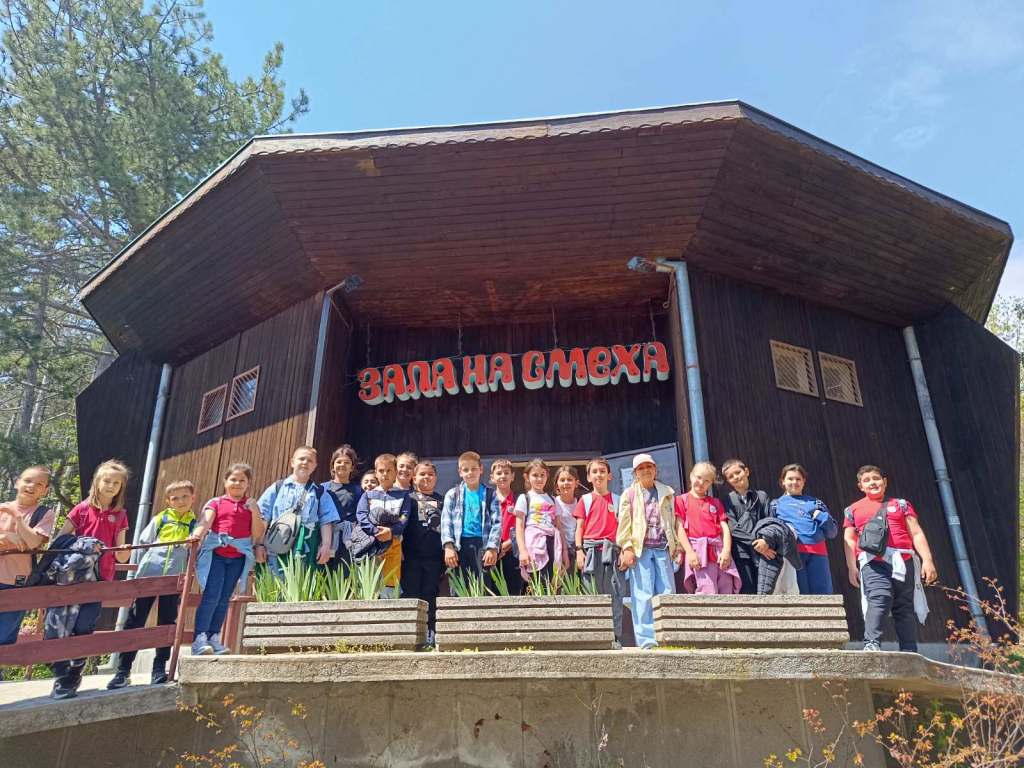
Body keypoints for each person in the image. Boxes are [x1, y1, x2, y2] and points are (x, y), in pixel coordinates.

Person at [49, 459, 132, 698]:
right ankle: (61, 675)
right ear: (97, 482)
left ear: (121, 487)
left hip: (101, 577)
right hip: (73, 577)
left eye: (116, 483)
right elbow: (61, 540)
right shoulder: (81, 509)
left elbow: (122, 557)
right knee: (62, 625)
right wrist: (84, 544)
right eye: (107, 481)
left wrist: (124, 550)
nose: (111, 486)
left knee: (85, 625)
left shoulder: (120, 515)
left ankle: (75, 671)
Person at [108, 480, 197, 688]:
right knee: (135, 621)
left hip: (173, 581)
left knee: (167, 623)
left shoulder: (195, 525)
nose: (181, 501)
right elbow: (143, 543)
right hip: (148, 577)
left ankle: (159, 669)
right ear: (168, 501)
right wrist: (139, 575)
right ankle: (123, 671)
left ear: (193, 498)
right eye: (175, 498)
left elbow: (195, 554)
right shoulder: (161, 519)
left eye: (185, 496)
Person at [843, 465, 937, 652]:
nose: (872, 483)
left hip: (904, 560)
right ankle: (872, 643)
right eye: (867, 480)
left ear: (884, 482)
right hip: (873, 563)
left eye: (876, 478)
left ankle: (909, 649)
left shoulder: (901, 505)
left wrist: (927, 560)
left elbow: (916, 533)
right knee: (879, 598)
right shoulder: (853, 509)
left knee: (904, 606)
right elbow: (849, 539)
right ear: (861, 486)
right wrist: (851, 566)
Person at [192, 462, 265, 656]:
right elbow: (206, 522)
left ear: (248, 483)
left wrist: (254, 510)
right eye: (233, 479)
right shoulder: (216, 502)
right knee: (211, 596)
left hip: (238, 558)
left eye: (242, 480)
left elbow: (257, 532)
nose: (237, 483)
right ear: (225, 481)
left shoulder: (251, 505)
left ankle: (214, 637)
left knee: (225, 598)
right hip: (217, 555)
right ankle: (199, 638)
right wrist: (196, 536)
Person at [616, 453, 680, 649]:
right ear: (635, 473)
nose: (645, 470)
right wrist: (627, 547)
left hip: (663, 548)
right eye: (641, 468)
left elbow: (673, 521)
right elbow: (624, 524)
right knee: (642, 595)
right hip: (641, 550)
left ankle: (668, 637)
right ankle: (647, 641)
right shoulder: (629, 494)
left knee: (667, 593)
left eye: (649, 466)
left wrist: (677, 546)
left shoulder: (667, 492)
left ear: (655, 470)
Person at [0, 466, 55, 680]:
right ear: (17, 482)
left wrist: (17, 517)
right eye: (28, 481)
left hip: (17, 582)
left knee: (4, 638)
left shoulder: (44, 514)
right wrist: (7, 538)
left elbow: (32, 542)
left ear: (45, 490)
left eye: (39, 484)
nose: (31, 486)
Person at [257, 446, 338, 570]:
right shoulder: (278, 487)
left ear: (315, 466)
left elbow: (326, 521)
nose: (305, 462)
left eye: (310, 460)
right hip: (276, 546)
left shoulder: (320, 492)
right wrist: (259, 544)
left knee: (302, 582)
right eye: (301, 459)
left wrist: (326, 545)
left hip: (306, 550)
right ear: (292, 462)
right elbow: (263, 517)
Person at [573, 458, 624, 647]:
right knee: (591, 593)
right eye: (594, 471)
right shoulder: (585, 500)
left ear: (609, 475)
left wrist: (624, 550)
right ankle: (594, 636)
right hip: (590, 552)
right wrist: (579, 551)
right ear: (588, 477)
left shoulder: (618, 500)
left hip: (613, 552)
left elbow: (624, 528)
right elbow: (579, 528)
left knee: (615, 594)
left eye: (602, 471)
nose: (598, 475)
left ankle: (614, 636)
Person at [771, 464, 837, 595]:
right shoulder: (775, 505)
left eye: (798, 479)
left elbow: (832, 532)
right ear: (783, 481)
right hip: (792, 555)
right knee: (797, 594)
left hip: (818, 553)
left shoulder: (816, 503)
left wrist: (821, 516)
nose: (794, 482)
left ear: (804, 481)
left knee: (823, 594)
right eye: (790, 479)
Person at [675, 463, 741, 594]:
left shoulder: (715, 502)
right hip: (699, 552)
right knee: (707, 589)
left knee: (727, 587)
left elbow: (724, 528)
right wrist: (690, 552)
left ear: (711, 483)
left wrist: (726, 550)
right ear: (691, 476)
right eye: (698, 477)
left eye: (707, 481)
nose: (701, 483)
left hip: (719, 551)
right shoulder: (682, 500)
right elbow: (679, 527)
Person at [353, 454, 411, 597]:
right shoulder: (368, 495)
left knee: (390, 581)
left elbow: (404, 517)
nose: (385, 474)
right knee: (370, 583)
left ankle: (390, 606)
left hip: (393, 543)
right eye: (381, 471)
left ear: (396, 472)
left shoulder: (403, 495)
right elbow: (361, 516)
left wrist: (391, 531)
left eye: (389, 470)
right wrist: (375, 531)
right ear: (376, 473)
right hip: (371, 543)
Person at [400, 461, 445, 645]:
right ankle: (410, 637)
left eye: (430, 474)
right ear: (414, 478)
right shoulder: (407, 499)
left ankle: (430, 635)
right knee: (411, 595)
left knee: (430, 595)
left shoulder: (442, 500)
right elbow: (400, 525)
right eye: (422, 474)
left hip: (434, 557)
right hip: (410, 557)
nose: (426, 477)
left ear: (436, 478)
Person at [441, 451, 502, 585]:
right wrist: (449, 546)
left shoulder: (490, 494)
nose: (470, 473)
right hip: (459, 545)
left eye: (474, 469)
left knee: (483, 585)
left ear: (481, 469)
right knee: (459, 585)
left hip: (482, 545)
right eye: (466, 470)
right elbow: (446, 521)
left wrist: (492, 548)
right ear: (460, 472)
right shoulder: (453, 494)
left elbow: (497, 523)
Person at [721, 459, 774, 594]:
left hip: (763, 550)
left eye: (738, 472)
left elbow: (770, 520)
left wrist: (766, 541)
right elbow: (733, 527)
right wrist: (754, 542)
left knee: (765, 590)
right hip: (741, 553)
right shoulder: (727, 500)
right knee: (747, 590)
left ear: (746, 471)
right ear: (728, 481)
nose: (735, 477)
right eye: (731, 476)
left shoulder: (761, 496)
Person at [514, 458, 567, 582]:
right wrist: (523, 551)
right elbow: (519, 527)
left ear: (547, 476)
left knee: (552, 580)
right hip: (533, 544)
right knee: (537, 580)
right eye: (535, 475)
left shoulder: (553, 499)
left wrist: (564, 551)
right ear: (527, 477)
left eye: (542, 475)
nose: (539, 479)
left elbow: (559, 526)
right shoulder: (524, 498)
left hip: (552, 543)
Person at [323, 445, 362, 569]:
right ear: (332, 466)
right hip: (324, 538)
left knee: (344, 576)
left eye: (347, 462)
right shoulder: (322, 488)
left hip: (347, 540)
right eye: (339, 462)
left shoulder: (358, 491)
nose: (342, 465)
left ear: (352, 468)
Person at [491, 459, 524, 596]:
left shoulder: (519, 499)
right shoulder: (487, 499)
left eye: (506, 473)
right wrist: (495, 547)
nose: (503, 476)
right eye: (499, 473)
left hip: (513, 553)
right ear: (492, 477)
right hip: (492, 554)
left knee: (515, 593)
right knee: (491, 594)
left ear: (513, 476)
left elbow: (523, 526)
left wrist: (507, 545)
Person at [553, 465, 581, 570]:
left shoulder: (581, 503)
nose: (566, 483)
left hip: (577, 549)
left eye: (569, 480)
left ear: (576, 483)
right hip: (558, 550)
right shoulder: (552, 503)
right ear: (556, 484)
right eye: (562, 480)